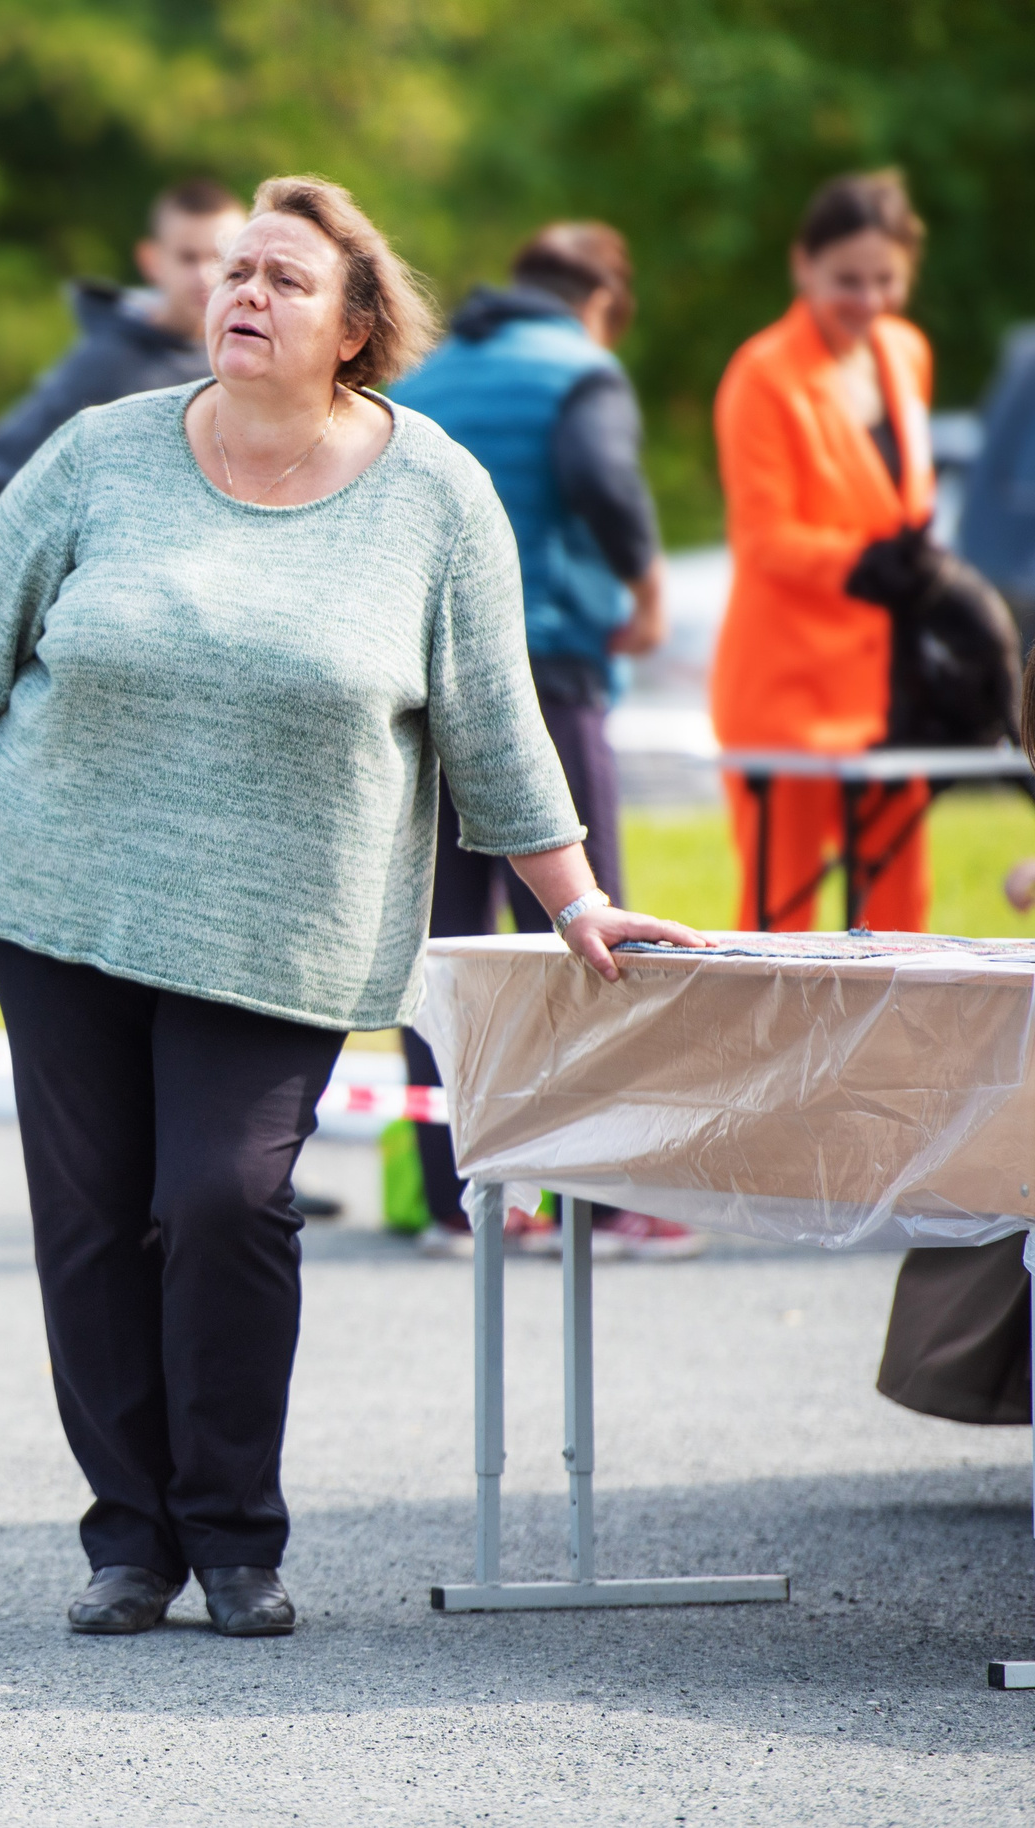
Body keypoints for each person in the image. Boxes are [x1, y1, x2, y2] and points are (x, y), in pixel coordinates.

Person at [0, 175, 707, 1641]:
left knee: (221, 1197)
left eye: (283, 278)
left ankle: (236, 1532)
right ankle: (129, 1539)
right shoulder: (98, 455)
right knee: (88, 1220)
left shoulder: (434, 493)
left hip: (282, 931)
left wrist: (577, 902)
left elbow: (496, 725)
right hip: (59, 900)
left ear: (356, 326)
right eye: (234, 272)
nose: (245, 295)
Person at [387, 222, 700, 1261]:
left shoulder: (431, 373)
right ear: (604, 300)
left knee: (448, 950)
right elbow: (602, 481)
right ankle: (597, 1203)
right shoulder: (580, 369)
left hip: (420, 683)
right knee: (583, 934)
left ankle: (454, 1200)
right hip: (544, 679)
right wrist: (646, 588)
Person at [710, 170, 936, 933]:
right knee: (784, 915)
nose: (867, 301)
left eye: (885, 280)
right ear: (802, 267)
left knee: (903, 910)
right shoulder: (763, 375)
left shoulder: (907, 353)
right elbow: (763, 536)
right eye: (847, 280)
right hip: (788, 690)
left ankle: (896, 1060)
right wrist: (862, 564)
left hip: (889, 693)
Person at [0, 179, 247, 559]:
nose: (205, 275)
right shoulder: (107, 367)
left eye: (221, 258)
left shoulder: (252, 363)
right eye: (188, 258)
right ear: (152, 261)